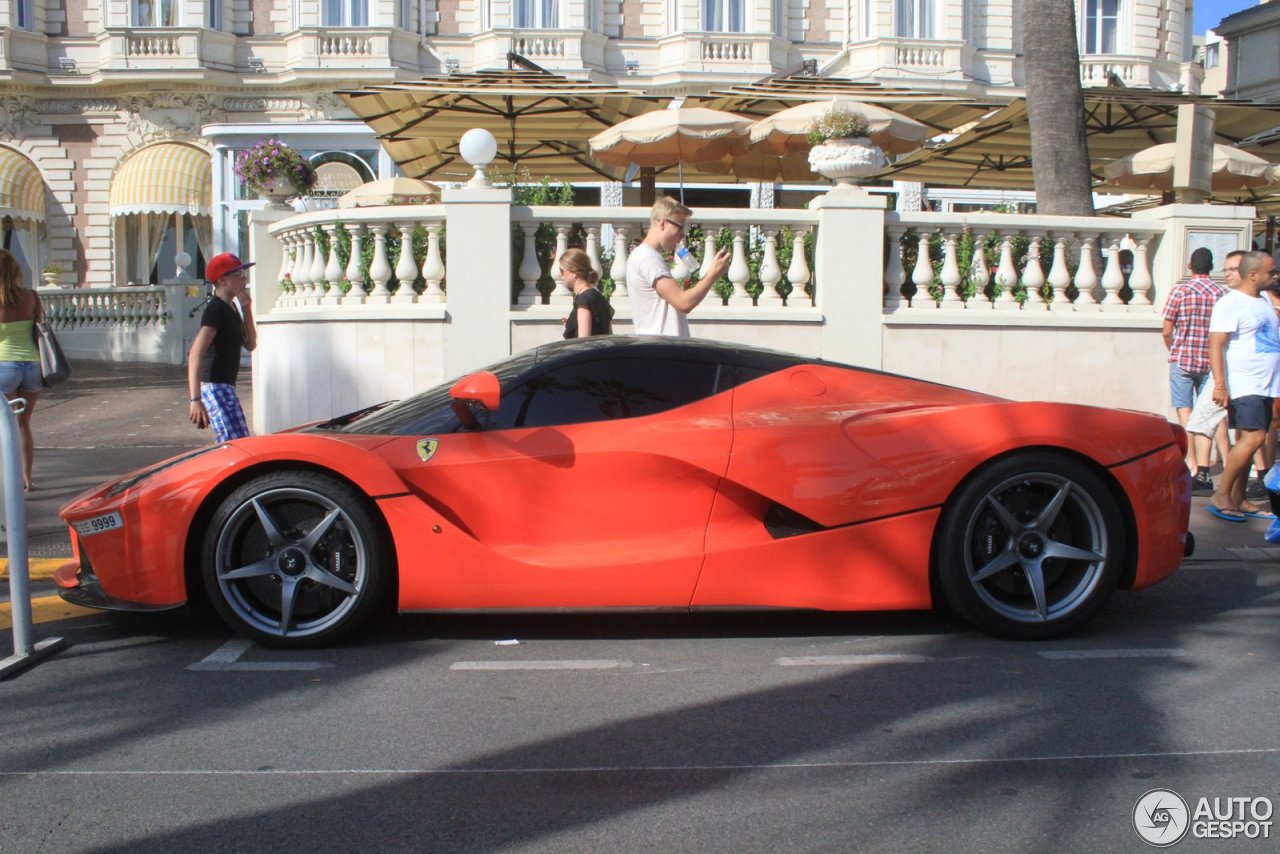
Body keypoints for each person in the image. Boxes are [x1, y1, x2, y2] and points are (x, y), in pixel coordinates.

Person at [1206, 250, 1280, 521]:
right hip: (1245, 383)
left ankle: (1238, 497)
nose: (1274, 275)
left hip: (1266, 385)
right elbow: (1216, 344)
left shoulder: (1261, 301)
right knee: (1254, 438)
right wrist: (1220, 385)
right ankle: (1222, 493)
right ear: (1253, 274)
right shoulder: (1231, 303)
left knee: (1247, 442)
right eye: (1270, 272)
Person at [1161, 246, 1225, 491]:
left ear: (1190, 265)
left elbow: (1167, 329)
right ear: (1212, 267)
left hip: (1183, 358)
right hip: (1212, 360)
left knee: (1185, 411)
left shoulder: (1181, 291)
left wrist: (1174, 349)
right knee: (1208, 414)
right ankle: (1207, 463)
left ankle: (1191, 461)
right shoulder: (1222, 293)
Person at [625, 196, 730, 337]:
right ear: (663, 224)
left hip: (661, 347)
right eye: (680, 228)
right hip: (662, 349)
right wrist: (713, 275)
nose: (682, 236)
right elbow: (683, 302)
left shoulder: (647, 255)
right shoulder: (648, 258)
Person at [188, 252, 257, 442]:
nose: (243, 279)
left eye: (243, 275)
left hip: (226, 386)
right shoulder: (216, 310)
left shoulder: (231, 308)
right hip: (214, 386)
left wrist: (247, 310)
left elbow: (250, 344)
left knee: (240, 440)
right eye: (238, 275)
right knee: (232, 443)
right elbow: (195, 353)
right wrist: (195, 400)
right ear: (222, 281)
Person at [0, 248, 44, 491]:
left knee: (4, 425)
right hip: (32, 364)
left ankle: (9, 477)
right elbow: (41, 326)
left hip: (4, 365)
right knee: (24, 424)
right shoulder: (31, 297)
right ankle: (27, 477)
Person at [560, 247, 614, 339]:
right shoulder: (597, 296)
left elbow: (583, 343)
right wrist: (573, 324)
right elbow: (608, 334)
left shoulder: (584, 301)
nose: (560, 275)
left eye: (562, 271)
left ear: (574, 272)